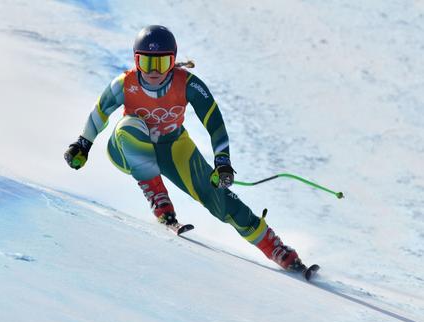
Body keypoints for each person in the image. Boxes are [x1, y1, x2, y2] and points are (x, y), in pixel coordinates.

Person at [64, 25, 306, 272]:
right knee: (131, 125)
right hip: (126, 148)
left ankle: (277, 249)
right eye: (146, 63)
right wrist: (83, 144)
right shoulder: (124, 83)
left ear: (174, 60)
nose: (154, 72)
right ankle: (158, 198)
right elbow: (100, 112)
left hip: (173, 147)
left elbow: (214, 121)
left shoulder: (187, 83)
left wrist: (222, 161)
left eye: (162, 63)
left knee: (222, 201)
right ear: (135, 60)